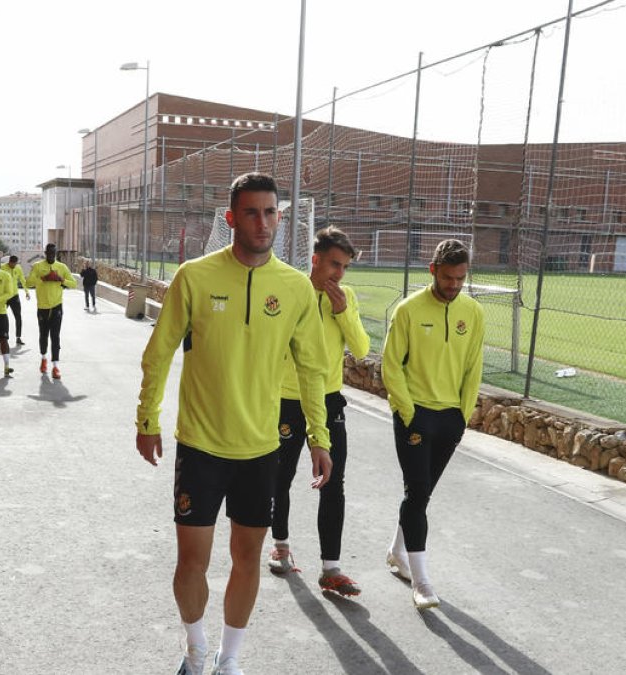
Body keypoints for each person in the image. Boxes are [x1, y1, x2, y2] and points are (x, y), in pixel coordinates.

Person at [136, 172, 333, 675]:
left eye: (270, 212)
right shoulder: (195, 276)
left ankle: (230, 660)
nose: (262, 222)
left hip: (261, 450)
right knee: (191, 564)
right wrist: (147, 418)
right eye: (251, 212)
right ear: (231, 218)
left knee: (248, 561)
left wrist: (319, 435)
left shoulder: (293, 288)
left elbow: (312, 369)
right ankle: (196, 651)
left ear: (280, 219)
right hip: (201, 446)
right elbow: (158, 353)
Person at [382, 239, 484, 610]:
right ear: (432, 271)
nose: (454, 285)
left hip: (451, 419)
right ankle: (421, 582)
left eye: (460, 278)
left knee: (420, 496)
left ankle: (396, 551)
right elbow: (390, 365)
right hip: (415, 416)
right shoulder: (408, 310)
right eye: (447, 278)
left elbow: (474, 366)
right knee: (418, 489)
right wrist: (408, 412)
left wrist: (463, 413)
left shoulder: (472, 312)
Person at [267, 227, 370, 598]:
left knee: (334, 482)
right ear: (315, 259)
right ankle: (280, 546)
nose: (338, 274)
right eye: (333, 264)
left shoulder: (346, 298)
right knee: (281, 477)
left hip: (328, 400)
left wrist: (344, 312)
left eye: (344, 267)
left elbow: (360, 349)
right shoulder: (294, 291)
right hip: (287, 399)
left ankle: (331, 569)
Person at [24, 244, 76, 379]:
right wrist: (42, 278)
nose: (51, 255)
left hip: (57, 307)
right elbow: (28, 282)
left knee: (55, 337)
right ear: (45, 253)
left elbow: (74, 284)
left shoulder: (62, 267)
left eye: (54, 253)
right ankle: (43, 358)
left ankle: (56, 367)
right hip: (42, 308)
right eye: (49, 253)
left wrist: (61, 279)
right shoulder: (37, 266)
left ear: (56, 253)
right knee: (43, 335)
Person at [5, 255, 31, 346]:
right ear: (9, 262)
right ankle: (4, 336)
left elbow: (22, 280)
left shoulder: (18, 268)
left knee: (18, 317)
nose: (14, 265)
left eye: (15, 264)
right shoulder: (2, 268)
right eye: (12, 264)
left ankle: (18, 337)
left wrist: (27, 292)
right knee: (3, 317)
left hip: (14, 296)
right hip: (4, 296)